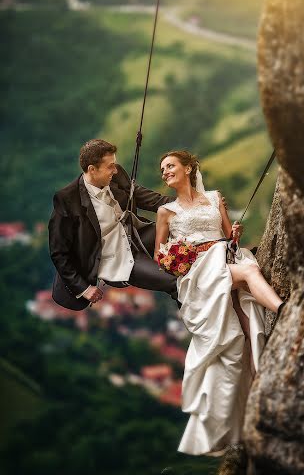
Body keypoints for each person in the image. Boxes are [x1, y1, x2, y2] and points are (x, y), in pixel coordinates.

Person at [154, 150, 284, 457]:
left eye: (170, 166)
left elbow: (228, 238)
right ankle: (282, 309)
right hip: (199, 273)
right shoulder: (166, 211)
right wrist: (178, 258)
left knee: (240, 336)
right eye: (162, 169)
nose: (165, 172)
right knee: (250, 273)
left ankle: (254, 389)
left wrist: (234, 235)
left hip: (223, 262)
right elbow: (160, 257)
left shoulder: (214, 198)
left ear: (188, 168)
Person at [48, 138, 179, 310]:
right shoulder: (67, 201)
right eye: (110, 166)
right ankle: (204, 329)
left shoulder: (116, 176)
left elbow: (145, 197)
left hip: (136, 235)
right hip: (116, 259)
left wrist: (186, 205)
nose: (115, 170)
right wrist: (84, 288)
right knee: (176, 282)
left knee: (183, 232)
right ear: (92, 170)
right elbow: (59, 253)